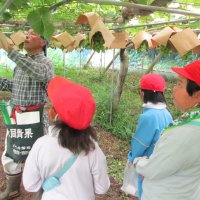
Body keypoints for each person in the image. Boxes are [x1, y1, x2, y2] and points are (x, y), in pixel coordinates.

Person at [22, 76, 110, 200]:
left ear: (53, 113)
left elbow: (30, 185)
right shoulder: (92, 148)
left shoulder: (41, 145)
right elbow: (102, 188)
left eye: (51, 106)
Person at [134, 60, 200, 200]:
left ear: (197, 95)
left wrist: (136, 160)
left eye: (179, 84)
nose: (174, 89)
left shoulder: (187, 133)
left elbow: (151, 165)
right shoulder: (171, 114)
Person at [0, 29, 54, 199]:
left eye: (32, 34)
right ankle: (13, 189)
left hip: (35, 118)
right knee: (11, 152)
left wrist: (11, 51)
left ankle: (40, 194)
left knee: (38, 156)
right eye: (27, 33)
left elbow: (38, 73)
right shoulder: (21, 63)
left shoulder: (46, 63)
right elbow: (15, 85)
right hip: (17, 117)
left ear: (42, 42)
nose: (27, 36)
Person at [127, 74, 173, 200]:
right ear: (161, 93)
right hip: (162, 165)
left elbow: (139, 144)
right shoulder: (167, 113)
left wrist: (132, 158)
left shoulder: (148, 116)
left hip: (148, 167)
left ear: (142, 93)